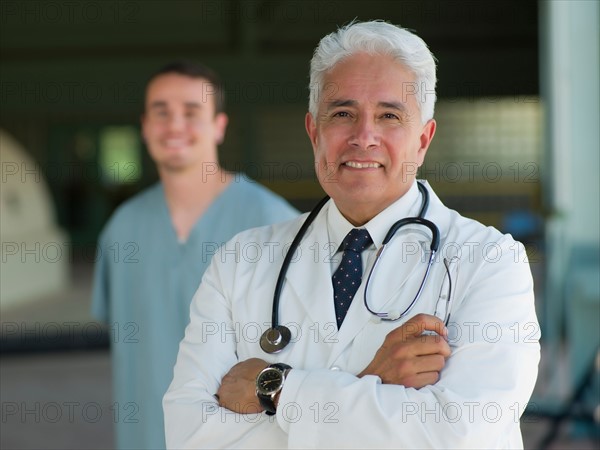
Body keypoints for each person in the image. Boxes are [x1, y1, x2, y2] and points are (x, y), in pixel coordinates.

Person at [164, 21, 540, 449]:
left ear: (423, 139)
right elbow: (189, 434)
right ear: (314, 133)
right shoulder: (240, 260)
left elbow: (461, 433)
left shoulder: (488, 262)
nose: (364, 137)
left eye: (389, 116)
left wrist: (278, 389)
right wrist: (370, 384)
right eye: (342, 113)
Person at [91, 61, 299, 449]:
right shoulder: (123, 227)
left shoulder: (273, 225)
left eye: (191, 112)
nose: (174, 125)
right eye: (161, 112)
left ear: (219, 125)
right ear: (145, 126)